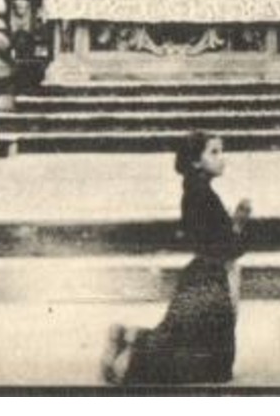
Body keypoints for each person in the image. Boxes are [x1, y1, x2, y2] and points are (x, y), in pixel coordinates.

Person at [103, 131, 252, 386]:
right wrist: (239, 225)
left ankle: (130, 339)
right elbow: (226, 246)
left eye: (221, 151)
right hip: (210, 281)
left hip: (201, 275)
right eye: (214, 152)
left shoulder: (197, 191)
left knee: (180, 339)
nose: (222, 158)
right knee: (212, 366)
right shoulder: (203, 196)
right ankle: (131, 360)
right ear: (195, 161)